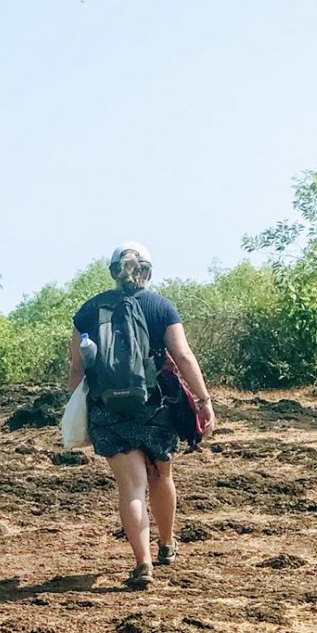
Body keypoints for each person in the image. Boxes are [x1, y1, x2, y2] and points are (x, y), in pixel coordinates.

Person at [68, 244, 215, 590]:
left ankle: (143, 563)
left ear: (112, 271)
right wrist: (204, 399)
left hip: (108, 409)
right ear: (147, 272)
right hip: (156, 406)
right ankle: (166, 545)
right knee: (161, 478)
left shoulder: (88, 310)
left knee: (131, 487)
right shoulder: (161, 306)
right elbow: (182, 354)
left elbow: (76, 371)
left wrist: (81, 410)